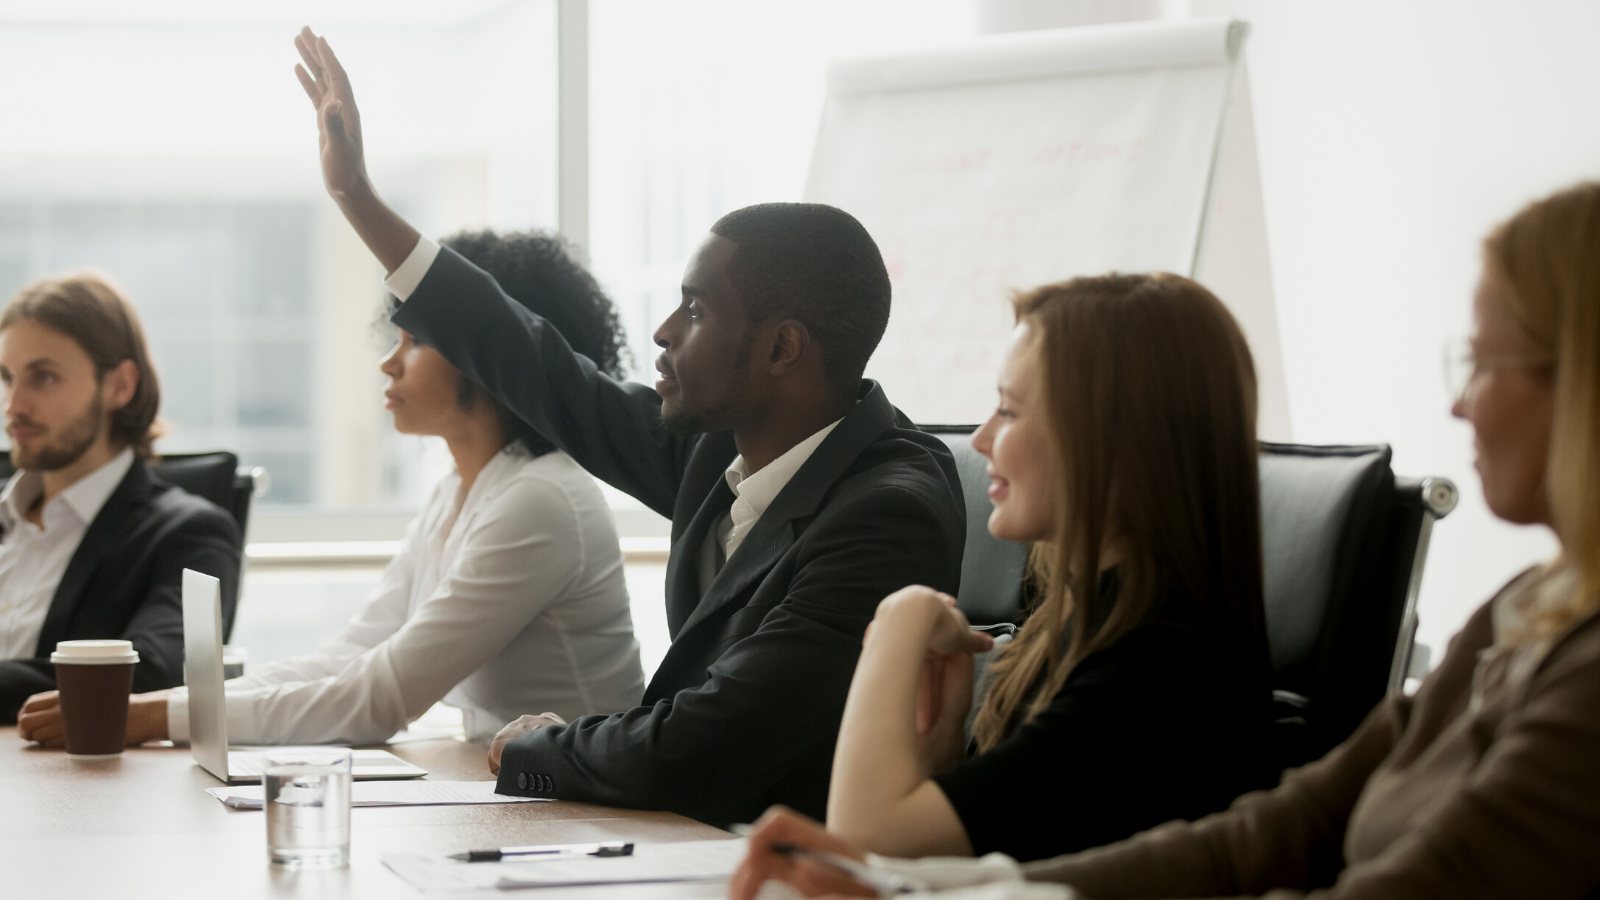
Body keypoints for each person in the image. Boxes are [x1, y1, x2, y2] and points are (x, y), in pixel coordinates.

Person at [730, 181, 1600, 899]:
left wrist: (899, 618)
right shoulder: (1521, 613)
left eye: (1484, 363)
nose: (1458, 405)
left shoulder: (1159, 668)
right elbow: (1269, 836)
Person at [291, 27, 965, 827]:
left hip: (774, 861)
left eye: (697, 309)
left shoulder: (884, 516)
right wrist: (357, 199)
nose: (664, 332)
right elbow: (536, 364)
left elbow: (705, 744)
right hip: (679, 839)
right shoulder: (725, 450)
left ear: (784, 348)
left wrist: (548, 746)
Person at [18, 230, 645, 749]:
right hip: (517, 795)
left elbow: (378, 698)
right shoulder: (461, 490)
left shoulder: (541, 500)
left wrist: (154, 718)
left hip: (593, 818)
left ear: (494, 354)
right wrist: (163, 707)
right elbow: (347, 657)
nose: (389, 362)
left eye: (417, 341)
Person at [822, 273, 1276, 864]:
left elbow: (865, 843)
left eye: (1009, 411)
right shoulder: (1080, 622)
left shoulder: (1157, 673)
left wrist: (897, 619)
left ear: (1113, 441)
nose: (982, 438)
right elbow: (989, 848)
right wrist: (943, 750)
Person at [0, 273, 240, 723]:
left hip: (66, 784)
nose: (13, 405)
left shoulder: (188, 534)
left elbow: (153, 672)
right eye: (7, 378)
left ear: (120, 386)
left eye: (44, 378)